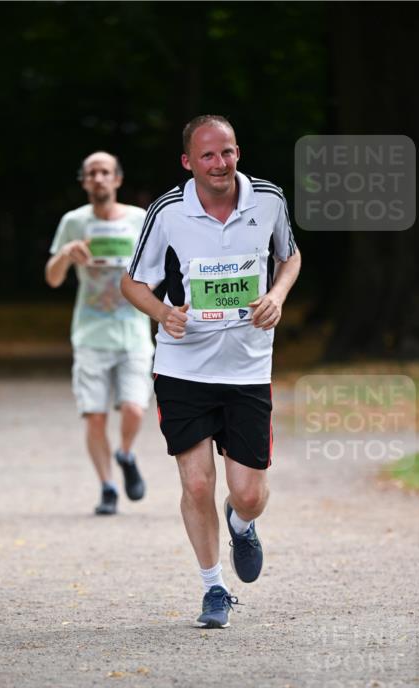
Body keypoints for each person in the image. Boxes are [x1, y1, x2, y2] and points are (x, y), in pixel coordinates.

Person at [121, 115, 301, 627]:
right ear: (188, 162)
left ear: (238, 152)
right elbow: (132, 283)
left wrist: (277, 295)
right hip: (183, 368)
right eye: (207, 155)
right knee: (196, 484)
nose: (219, 163)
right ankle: (214, 588)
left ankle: (241, 525)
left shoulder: (267, 199)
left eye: (226, 152)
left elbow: (290, 258)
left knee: (248, 493)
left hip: (247, 368)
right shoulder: (168, 211)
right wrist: (163, 314)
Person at [45, 151, 153, 515]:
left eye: (105, 172)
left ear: (117, 179)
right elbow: (53, 278)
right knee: (94, 415)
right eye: (92, 173)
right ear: (84, 181)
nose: (99, 178)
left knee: (135, 409)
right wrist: (66, 255)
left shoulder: (140, 219)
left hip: (134, 331)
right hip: (90, 333)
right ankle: (107, 487)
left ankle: (125, 453)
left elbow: (161, 266)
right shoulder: (73, 222)